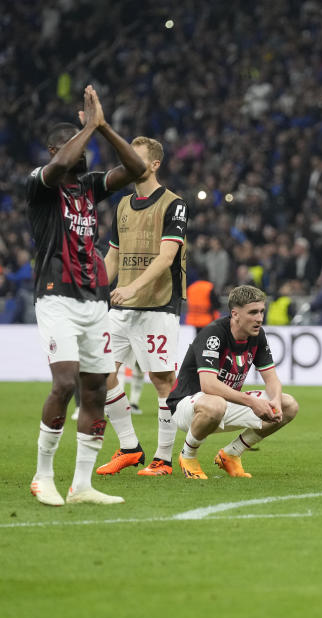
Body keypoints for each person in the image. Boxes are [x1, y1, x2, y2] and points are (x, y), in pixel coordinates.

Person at [26, 85, 147, 505]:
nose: (84, 153)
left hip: (94, 301)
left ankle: (82, 485)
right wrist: (87, 130)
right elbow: (60, 163)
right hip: (55, 296)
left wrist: (103, 127)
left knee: (95, 388)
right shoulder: (40, 186)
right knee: (64, 383)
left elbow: (134, 169)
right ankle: (43, 477)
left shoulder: (90, 187)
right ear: (55, 148)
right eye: (74, 146)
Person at [95, 136, 188, 477]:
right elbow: (113, 257)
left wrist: (132, 287)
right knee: (100, 372)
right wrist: (95, 291)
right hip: (121, 309)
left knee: (162, 381)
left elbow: (167, 257)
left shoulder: (175, 205)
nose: (129, 162)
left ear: (154, 164)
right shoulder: (122, 205)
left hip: (157, 306)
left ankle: (163, 459)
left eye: (136, 157)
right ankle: (130, 447)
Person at [166, 285, 298, 479]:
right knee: (215, 403)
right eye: (253, 312)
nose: (259, 318)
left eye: (261, 311)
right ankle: (188, 455)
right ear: (235, 314)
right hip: (187, 405)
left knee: (288, 405)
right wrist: (252, 402)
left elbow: (272, 379)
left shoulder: (257, 335)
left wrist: (276, 401)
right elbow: (208, 385)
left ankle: (231, 454)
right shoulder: (213, 334)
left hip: (226, 403)